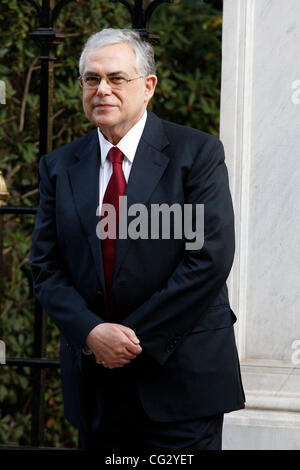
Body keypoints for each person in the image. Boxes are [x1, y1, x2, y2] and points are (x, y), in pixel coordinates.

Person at [30, 28, 245, 453]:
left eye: (116, 78)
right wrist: (92, 333)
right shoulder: (59, 166)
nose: (102, 90)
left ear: (148, 87)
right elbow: (45, 267)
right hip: (97, 389)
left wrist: (128, 339)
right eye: (91, 79)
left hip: (182, 383)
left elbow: (208, 258)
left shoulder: (196, 154)